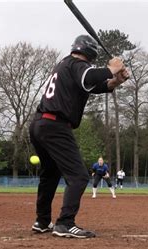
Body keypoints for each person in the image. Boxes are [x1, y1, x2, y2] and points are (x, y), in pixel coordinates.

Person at [29, 35, 129, 238]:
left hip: (40, 123)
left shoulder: (66, 65)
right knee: (79, 176)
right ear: (90, 53)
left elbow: (98, 85)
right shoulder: (77, 65)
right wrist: (112, 68)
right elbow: (89, 77)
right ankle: (65, 223)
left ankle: (42, 221)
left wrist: (116, 80)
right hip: (55, 125)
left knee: (50, 174)